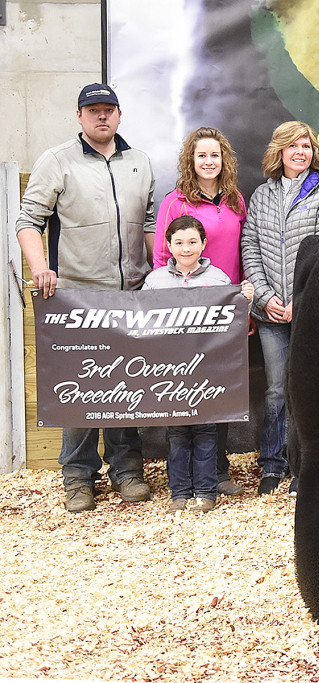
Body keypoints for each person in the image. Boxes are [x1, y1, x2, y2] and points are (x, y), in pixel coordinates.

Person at [16, 83, 155, 513]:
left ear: (119, 114)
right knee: (80, 390)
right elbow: (28, 219)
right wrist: (40, 267)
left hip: (130, 294)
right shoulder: (57, 160)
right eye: (92, 110)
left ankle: (126, 469)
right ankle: (77, 477)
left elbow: (149, 220)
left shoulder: (140, 161)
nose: (101, 117)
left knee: (125, 386)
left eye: (108, 110)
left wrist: (158, 274)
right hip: (76, 298)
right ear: (79, 116)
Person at [242, 121, 319, 495]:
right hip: (270, 314)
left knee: (307, 392)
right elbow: (249, 247)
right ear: (280, 151)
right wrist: (265, 297)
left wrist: (300, 302)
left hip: (308, 313)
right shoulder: (261, 195)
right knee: (275, 390)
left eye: (306, 145)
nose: (300, 152)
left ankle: (305, 469)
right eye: (293, 146)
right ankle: (272, 465)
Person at [155, 126, 248, 496]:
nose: (209, 162)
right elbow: (162, 259)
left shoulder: (236, 200)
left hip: (226, 310)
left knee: (220, 384)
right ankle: (186, 477)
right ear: (190, 161)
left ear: (223, 159)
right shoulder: (174, 202)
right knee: (185, 388)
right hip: (184, 314)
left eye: (215, 155)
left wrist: (245, 308)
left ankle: (218, 470)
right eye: (201, 155)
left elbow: (244, 254)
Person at [143, 216, 254, 513]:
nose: (186, 248)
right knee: (178, 432)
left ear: (204, 244)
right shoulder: (155, 282)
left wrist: (245, 301)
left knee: (206, 431)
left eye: (192, 242)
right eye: (179, 242)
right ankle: (179, 492)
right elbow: (140, 321)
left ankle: (205, 492)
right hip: (170, 372)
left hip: (207, 371)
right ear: (168, 246)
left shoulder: (217, 279)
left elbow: (232, 320)